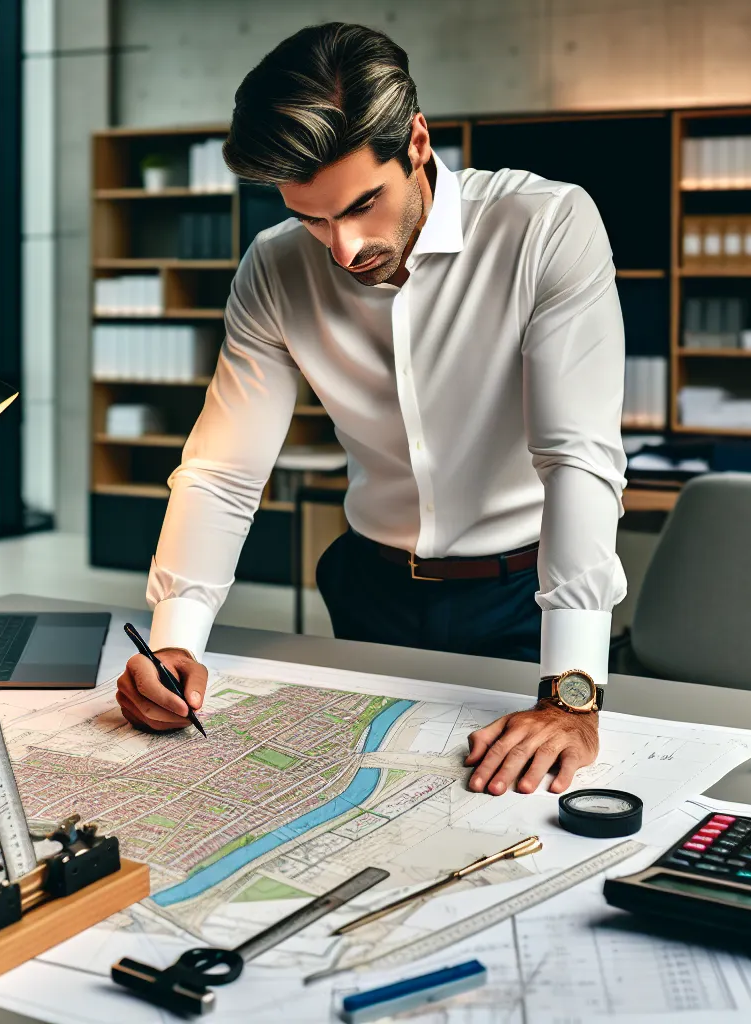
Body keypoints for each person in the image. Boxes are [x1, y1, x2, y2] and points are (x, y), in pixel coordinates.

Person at [116, 22, 626, 799]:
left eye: (362, 204)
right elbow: (223, 474)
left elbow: (577, 460)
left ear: (416, 143)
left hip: (524, 601)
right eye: (314, 217)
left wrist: (572, 693)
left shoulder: (545, 227)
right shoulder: (276, 269)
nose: (345, 247)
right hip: (369, 593)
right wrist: (174, 642)